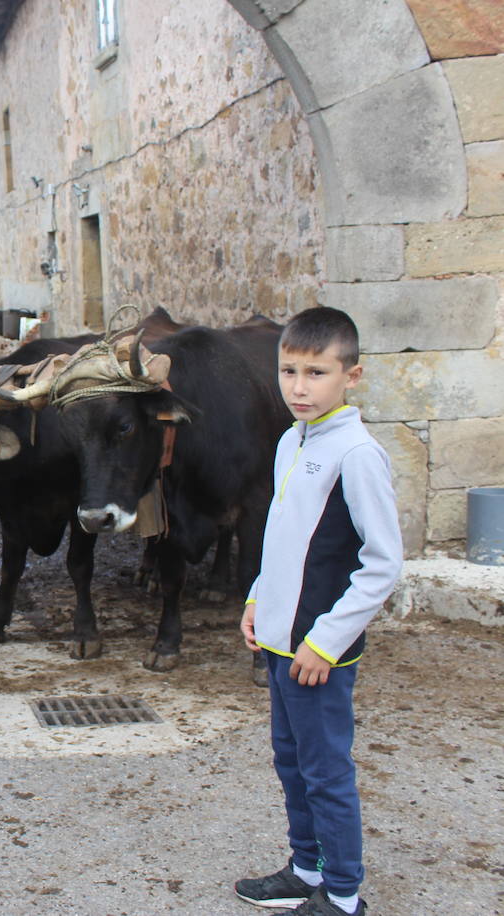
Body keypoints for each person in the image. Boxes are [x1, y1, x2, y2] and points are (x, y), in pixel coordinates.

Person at [236, 307, 403, 916]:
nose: (298, 387)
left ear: (351, 376)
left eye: (316, 372)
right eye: (288, 371)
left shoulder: (357, 454)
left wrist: (327, 640)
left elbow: (383, 563)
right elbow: (283, 537)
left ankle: (343, 894)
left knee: (327, 771)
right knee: (291, 760)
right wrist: (257, 597)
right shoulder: (290, 441)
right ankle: (306, 867)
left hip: (318, 652)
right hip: (281, 643)